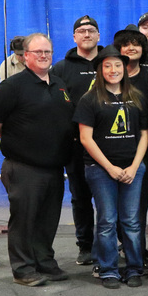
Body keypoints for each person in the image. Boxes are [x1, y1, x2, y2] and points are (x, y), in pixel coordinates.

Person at [0, 33, 74, 286]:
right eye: (38, 52)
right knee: (24, 221)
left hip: (54, 167)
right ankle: (23, 269)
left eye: (47, 52)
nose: (44, 56)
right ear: (25, 57)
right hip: (24, 167)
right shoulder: (12, 87)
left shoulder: (59, 84)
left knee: (47, 221)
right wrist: (20, 142)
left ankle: (44, 261)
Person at [74, 46, 148, 288]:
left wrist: (134, 166)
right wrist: (110, 168)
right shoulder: (90, 99)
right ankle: (108, 269)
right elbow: (86, 138)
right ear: (99, 69)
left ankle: (135, 268)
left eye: (118, 65)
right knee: (107, 220)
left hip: (133, 169)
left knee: (131, 221)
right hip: (100, 170)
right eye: (107, 65)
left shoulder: (136, 96)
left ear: (125, 68)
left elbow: (145, 134)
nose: (113, 70)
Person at [51, 15, 102, 266]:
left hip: (109, 143)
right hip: (75, 144)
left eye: (91, 30)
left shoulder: (110, 62)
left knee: (109, 199)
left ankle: (113, 244)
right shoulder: (61, 68)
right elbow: (55, 105)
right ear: (74, 37)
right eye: (81, 31)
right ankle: (85, 245)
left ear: (98, 35)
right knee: (80, 197)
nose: (86, 34)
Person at [114, 28, 148, 264]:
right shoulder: (110, 76)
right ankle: (114, 250)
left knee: (138, 205)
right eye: (126, 44)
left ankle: (137, 250)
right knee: (111, 208)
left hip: (144, 152)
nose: (131, 48)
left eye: (136, 44)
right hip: (111, 152)